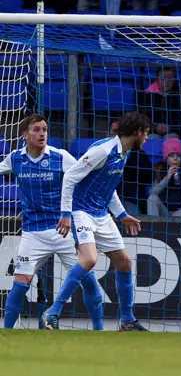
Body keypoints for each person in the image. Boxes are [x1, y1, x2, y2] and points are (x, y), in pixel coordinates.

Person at [42, 112, 153, 331]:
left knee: (125, 263)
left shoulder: (125, 152)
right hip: (80, 211)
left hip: (101, 213)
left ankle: (127, 320)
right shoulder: (103, 150)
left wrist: (122, 215)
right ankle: (52, 312)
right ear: (138, 132)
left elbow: (108, 188)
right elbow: (70, 177)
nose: (147, 139)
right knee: (90, 259)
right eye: (147, 134)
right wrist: (66, 213)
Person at [0, 114, 104, 330]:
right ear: (25, 134)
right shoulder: (15, 159)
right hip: (32, 232)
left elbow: (83, 178)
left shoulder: (60, 157)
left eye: (45, 129)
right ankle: (7, 332)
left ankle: (99, 330)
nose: (42, 134)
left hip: (63, 230)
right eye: (36, 130)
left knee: (88, 280)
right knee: (20, 284)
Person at [110, 119, 154, 215]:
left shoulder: (139, 155)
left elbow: (149, 178)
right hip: (105, 200)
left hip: (130, 199)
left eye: (119, 132)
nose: (116, 135)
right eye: (114, 132)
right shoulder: (104, 152)